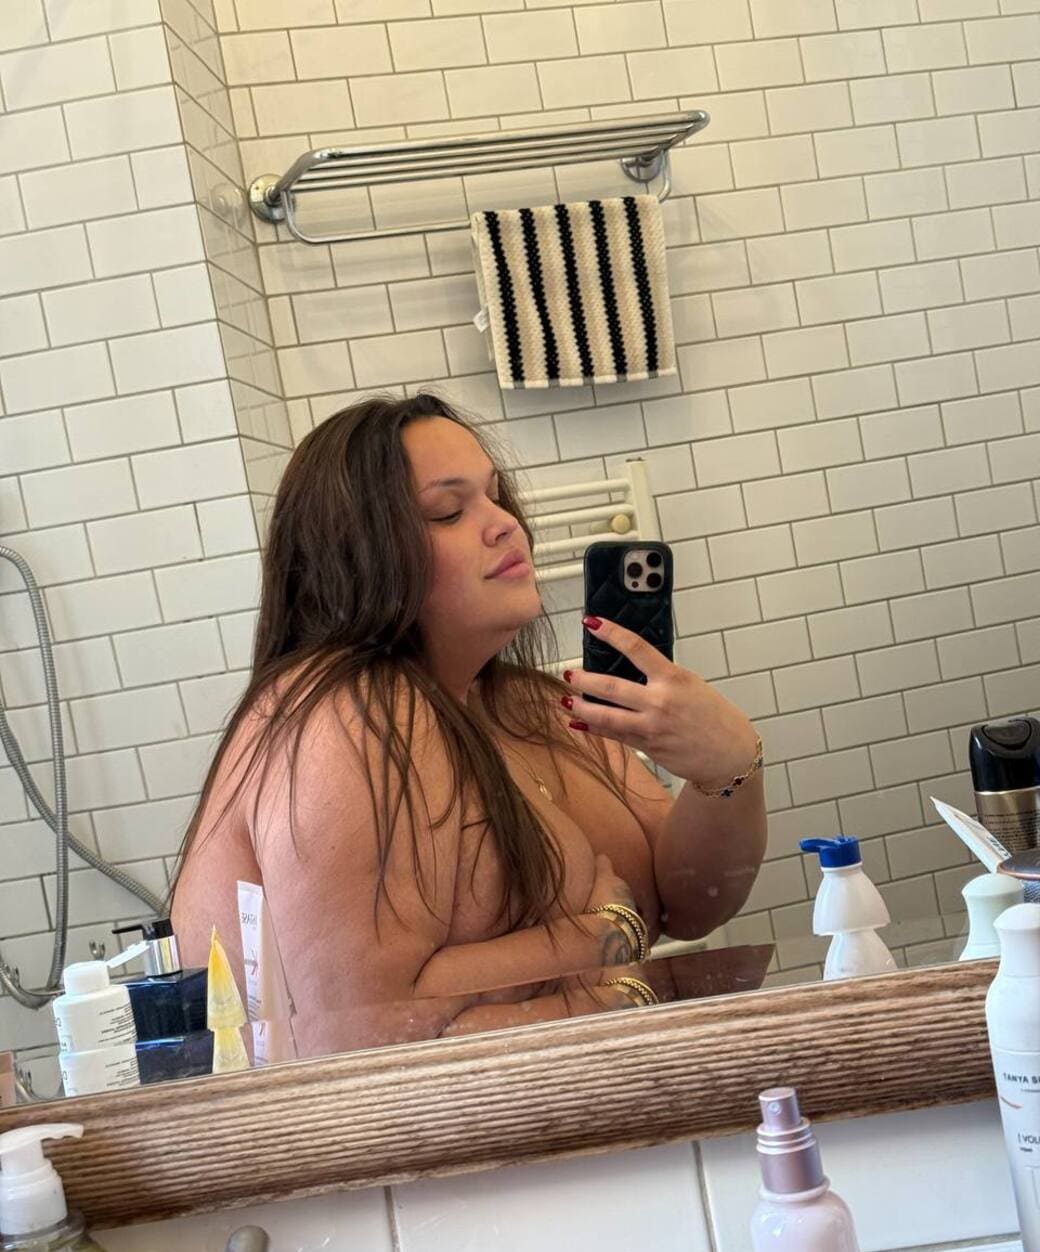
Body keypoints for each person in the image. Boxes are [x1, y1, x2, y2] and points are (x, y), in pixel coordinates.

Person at [171, 393, 767, 1056]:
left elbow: (690, 904)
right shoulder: (351, 716)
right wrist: (605, 968)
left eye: (495, 497)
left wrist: (727, 769)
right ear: (358, 559)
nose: (505, 524)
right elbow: (359, 1034)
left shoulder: (528, 707)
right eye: (448, 512)